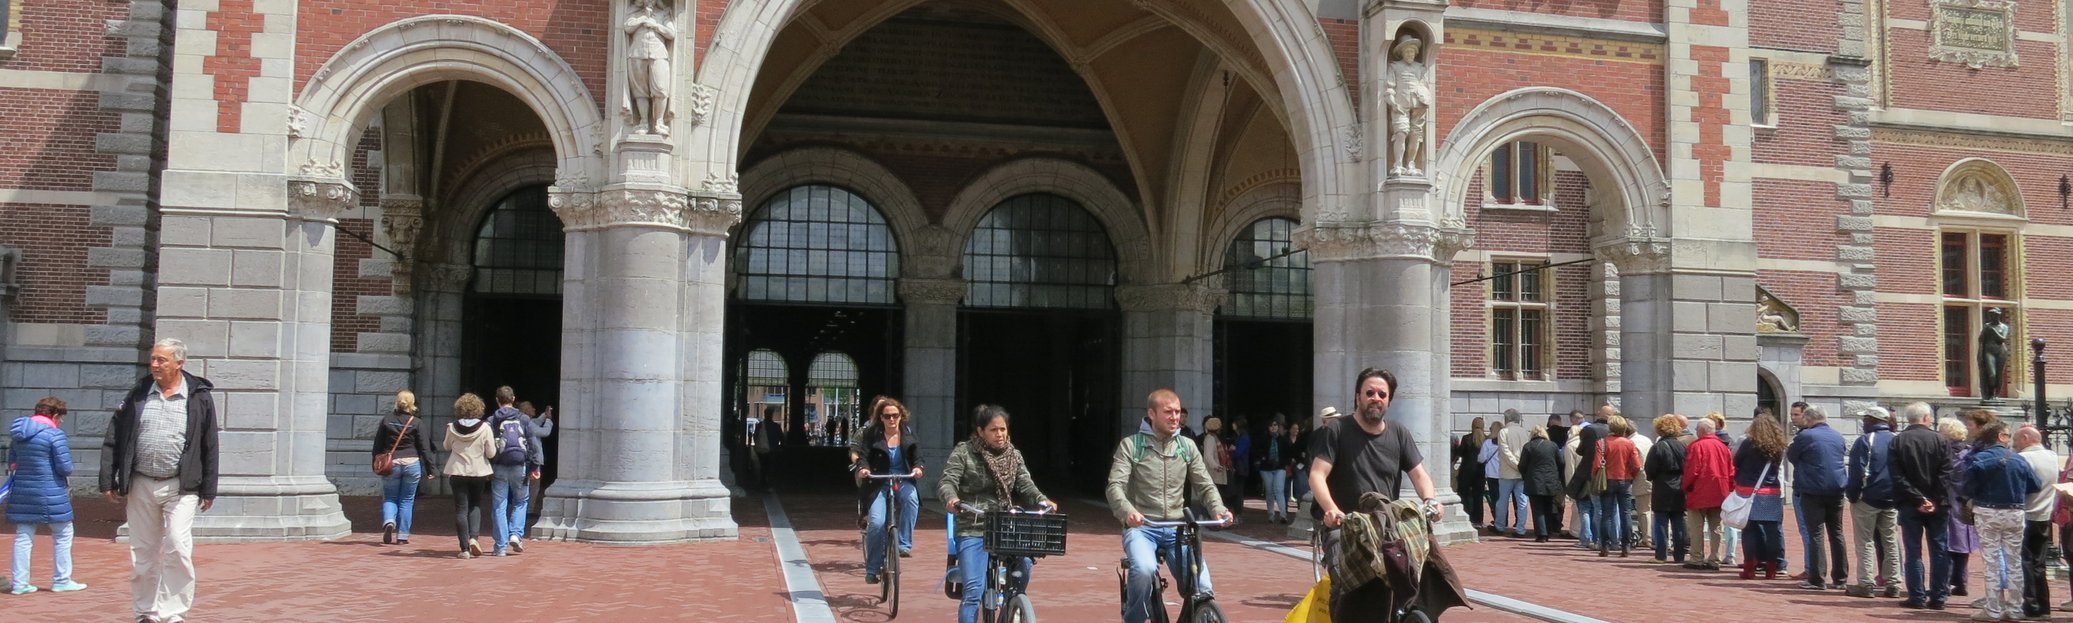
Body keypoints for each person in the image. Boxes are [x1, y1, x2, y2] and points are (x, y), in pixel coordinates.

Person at [99, 338, 218, 623]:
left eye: (161, 360)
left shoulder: (199, 396)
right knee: (143, 552)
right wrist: (108, 479)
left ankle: (173, 613)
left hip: (181, 485)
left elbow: (209, 444)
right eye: (153, 359)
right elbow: (114, 435)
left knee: (177, 545)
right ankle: (146, 612)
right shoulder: (139, 392)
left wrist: (209, 488)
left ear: (179, 363)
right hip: (141, 483)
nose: (154, 365)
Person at [1108, 388, 1230, 623]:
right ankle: (1133, 619)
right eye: (1168, 412)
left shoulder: (1186, 446)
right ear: (1151, 414)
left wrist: (1218, 508)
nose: (1175, 417)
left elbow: (1204, 485)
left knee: (1202, 585)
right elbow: (1114, 487)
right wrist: (1128, 512)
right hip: (1142, 527)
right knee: (1143, 570)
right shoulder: (1131, 446)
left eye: (1177, 412)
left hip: (1178, 529)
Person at [1309, 368, 1442, 558]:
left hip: (1385, 524)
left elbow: (1419, 474)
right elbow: (1317, 475)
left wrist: (1431, 501)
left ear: (1389, 401)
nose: (1376, 398)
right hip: (1345, 524)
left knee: (1421, 565)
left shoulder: (1399, 433)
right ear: (1358, 397)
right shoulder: (1336, 430)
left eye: (1382, 394)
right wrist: (1331, 509)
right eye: (1369, 393)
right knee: (1346, 574)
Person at [940, 405, 1054, 623]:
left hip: (1004, 524)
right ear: (981, 431)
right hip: (973, 525)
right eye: (993, 430)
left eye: (1003, 429)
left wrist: (1042, 499)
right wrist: (951, 498)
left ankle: (1012, 604)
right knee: (973, 591)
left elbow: (1025, 485)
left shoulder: (1014, 455)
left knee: (1025, 565)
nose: (1000, 434)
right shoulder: (964, 452)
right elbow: (947, 481)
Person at [1966, 422, 2042, 622]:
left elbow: (1966, 489)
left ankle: (1993, 609)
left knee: (1991, 562)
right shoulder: (2019, 460)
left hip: (1988, 511)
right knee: (2014, 562)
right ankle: (2015, 608)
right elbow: (2035, 485)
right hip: (2015, 511)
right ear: (2001, 437)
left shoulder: (1979, 459)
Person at [10, 397, 85, 595]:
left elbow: (12, 463)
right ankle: (61, 580)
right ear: (54, 415)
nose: (60, 422)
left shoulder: (18, 433)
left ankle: (19, 583)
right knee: (63, 533)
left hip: (23, 491)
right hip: (51, 491)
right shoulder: (54, 435)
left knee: (23, 537)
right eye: (60, 418)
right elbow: (65, 467)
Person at [852, 396, 924, 585]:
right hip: (879, 482)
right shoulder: (872, 434)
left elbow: (918, 456)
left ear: (901, 416)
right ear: (880, 418)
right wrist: (864, 468)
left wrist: (918, 468)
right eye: (887, 416)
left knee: (912, 500)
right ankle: (873, 568)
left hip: (901, 479)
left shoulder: (908, 433)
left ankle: (903, 544)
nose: (892, 420)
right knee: (876, 523)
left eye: (895, 415)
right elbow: (863, 456)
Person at [1892, 401, 1954, 610]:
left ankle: (1917, 596)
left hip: (1910, 504)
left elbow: (1897, 477)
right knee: (1939, 549)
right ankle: (1938, 596)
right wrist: (1931, 500)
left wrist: (1918, 500)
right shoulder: (1941, 441)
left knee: (1913, 550)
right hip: (1938, 504)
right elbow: (1946, 475)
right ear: (1927, 418)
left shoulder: (1898, 441)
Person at [1786, 404, 1849, 590]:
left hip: (1812, 489)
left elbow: (1792, 456)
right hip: (1837, 489)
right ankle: (1840, 578)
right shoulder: (1838, 436)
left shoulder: (1805, 436)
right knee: (1837, 533)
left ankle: (1817, 578)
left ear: (1809, 419)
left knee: (1816, 533)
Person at [1845, 406, 1902, 599]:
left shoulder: (1866, 440)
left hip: (1868, 497)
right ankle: (1893, 581)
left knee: (1865, 541)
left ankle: (1866, 582)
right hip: (1892, 498)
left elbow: (1857, 470)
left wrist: (1853, 494)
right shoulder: (1897, 440)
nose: (1863, 422)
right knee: (1890, 540)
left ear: (1871, 420)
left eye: (1865, 419)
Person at [484, 386, 543, 557]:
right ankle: (516, 534)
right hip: (520, 466)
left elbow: (487, 445)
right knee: (520, 501)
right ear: (513, 398)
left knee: (499, 505)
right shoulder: (524, 419)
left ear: (497, 400)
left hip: (499, 466)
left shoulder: (491, 420)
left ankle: (500, 546)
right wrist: (535, 467)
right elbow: (532, 445)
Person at [372, 389, 434, 546]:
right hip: (412, 463)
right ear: (412, 403)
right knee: (407, 500)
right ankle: (403, 536)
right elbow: (425, 448)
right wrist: (430, 469)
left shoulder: (387, 420)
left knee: (390, 496)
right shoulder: (417, 422)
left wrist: (375, 462)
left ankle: (389, 520)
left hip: (391, 463)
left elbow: (378, 444)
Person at [1734, 415, 1789, 579]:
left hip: (1748, 490)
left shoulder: (1748, 443)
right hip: (1770, 491)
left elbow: (1737, 462)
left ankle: (1750, 567)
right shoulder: (1778, 445)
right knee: (1772, 530)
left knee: (1749, 529)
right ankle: (1771, 568)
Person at [444, 393, 495, 559]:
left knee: (461, 509)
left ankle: (464, 548)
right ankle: (474, 538)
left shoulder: (452, 427)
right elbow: (491, 452)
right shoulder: (485, 428)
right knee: (475, 505)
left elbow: (446, 446)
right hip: (478, 471)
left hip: (457, 471)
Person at [2015, 425, 2058, 619]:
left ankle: (2031, 604)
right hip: (2044, 514)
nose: (2015, 445)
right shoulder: (2052, 455)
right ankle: (2044, 606)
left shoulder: (2024, 458)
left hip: (2026, 514)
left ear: (2025, 438)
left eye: (2016, 440)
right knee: (2039, 563)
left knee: (2025, 561)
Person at [1682, 417, 1733, 570]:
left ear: (1702, 430)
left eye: (1697, 429)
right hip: (1719, 491)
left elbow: (1692, 470)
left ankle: (1697, 558)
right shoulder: (1723, 447)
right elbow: (1731, 471)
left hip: (1699, 491)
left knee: (1696, 527)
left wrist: (1685, 487)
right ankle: (1715, 558)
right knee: (1716, 527)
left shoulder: (1697, 446)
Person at [1943, 416, 1983, 600]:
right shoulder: (1969, 452)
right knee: (1962, 544)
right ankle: (1961, 582)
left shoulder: (1947, 453)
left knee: (1950, 543)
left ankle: (1948, 581)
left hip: (1952, 501)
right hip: (1965, 503)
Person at [1644, 414, 1688, 564]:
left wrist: (1652, 477)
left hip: (1662, 485)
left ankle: (1661, 554)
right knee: (1678, 521)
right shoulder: (1682, 446)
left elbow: (1649, 469)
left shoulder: (1657, 447)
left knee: (1661, 521)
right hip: (1679, 485)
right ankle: (1679, 555)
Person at [516, 400, 555, 535]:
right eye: (531, 408)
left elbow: (537, 422)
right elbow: (544, 432)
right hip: (533, 460)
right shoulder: (529, 425)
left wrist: (544, 415)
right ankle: (529, 510)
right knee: (533, 486)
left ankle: (526, 508)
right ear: (527, 411)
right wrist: (549, 420)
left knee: (527, 485)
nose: (534, 409)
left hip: (524, 459)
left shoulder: (523, 422)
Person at [1518, 425, 1564, 542]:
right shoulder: (1552, 445)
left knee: (1537, 508)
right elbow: (1561, 462)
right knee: (1549, 507)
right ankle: (1548, 531)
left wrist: (1525, 475)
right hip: (1551, 480)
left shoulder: (1528, 446)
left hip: (1534, 480)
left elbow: (1522, 465)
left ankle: (1541, 534)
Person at [1496, 409, 1532, 538]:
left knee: (1502, 501)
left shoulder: (1503, 432)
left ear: (1507, 419)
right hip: (1522, 472)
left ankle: (1499, 526)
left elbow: (1505, 452)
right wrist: (1521, 466)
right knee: (1522, 501)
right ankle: (1521, 528)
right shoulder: (1525, 432)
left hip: (1507, 472)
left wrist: (1516, 465)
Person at [1257, 415, 1296, 524]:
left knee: (1279, 490)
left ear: (1278, 427)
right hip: (1266, 467)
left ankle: (1283, 515)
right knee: (1269, 491)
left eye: (1275, 425)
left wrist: (1286, 463)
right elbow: (1257, 450)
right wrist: (1262, 458)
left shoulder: (1283, 440)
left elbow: (1289, 452)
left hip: (1280, 467)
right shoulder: (1264, 439)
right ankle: (1271, 515)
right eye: (1271, 426)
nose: (1273, 427)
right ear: (1268, 427)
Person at [1453, 416, 1488, 530]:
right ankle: (1478, 520)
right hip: (1480, 471)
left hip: (1466, 471)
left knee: (1464, 494)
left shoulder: (1467, 438)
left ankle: (1466, 516)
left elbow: (1461, 452)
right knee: (1478, 496)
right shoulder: (1486, 439)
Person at [1200, 417, 1231, 507]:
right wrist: (1216, 466)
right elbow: (1208, 456)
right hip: (1214, 472)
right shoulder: (1210, 438)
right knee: (1215, 496)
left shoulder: (1215, 438)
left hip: (1218, 472)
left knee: (1219, 494)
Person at [753, 406, 781, 490]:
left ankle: (762, 483)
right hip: (772, 450)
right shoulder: (776, 426)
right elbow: (781, 437)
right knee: (770, 467)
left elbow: (755, 436)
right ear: (771, 415)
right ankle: (769, 485)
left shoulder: (759, 425)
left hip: (761, 450)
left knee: (763, 466)